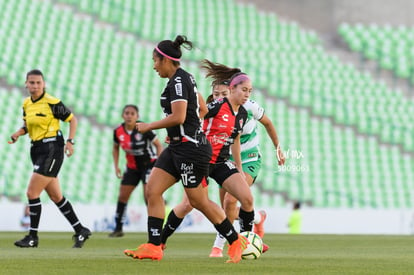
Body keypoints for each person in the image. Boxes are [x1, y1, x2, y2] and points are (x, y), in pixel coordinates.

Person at [123, 35, 248, 263]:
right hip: (179, 147)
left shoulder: (178, 82)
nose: (154, 66)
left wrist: (149, 126)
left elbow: (179, 116)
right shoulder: (184, 79)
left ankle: (235, 240)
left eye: (155, 61)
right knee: (152, 190)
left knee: (198, 201)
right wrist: (191, 129)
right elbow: (200, 107)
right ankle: (153, 246)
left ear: (166, 60)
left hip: (191, 151)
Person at [160, 59, 257, 253]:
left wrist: (238, 166)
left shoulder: (242, 114)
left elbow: (235, 138)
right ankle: (160, 241)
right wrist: (177, 135)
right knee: (187, 204)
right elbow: (194, 116)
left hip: (220, 162)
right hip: (200, 160)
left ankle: (246, 243)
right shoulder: (215, 107)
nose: (246, 94)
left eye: (249, 91)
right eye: (244, 90)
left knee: (247, 199)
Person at [9, 69, 91, 248]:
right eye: (32, 82)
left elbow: (72, 120)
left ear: (44, 84)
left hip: (52, 149)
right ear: (26, 84)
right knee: (56, 196)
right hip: (36, 149)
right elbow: (27, 125)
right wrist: (18, 133)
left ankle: (32, 237)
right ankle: (81, 230)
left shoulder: (52, 102)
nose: (35, 86)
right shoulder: (26, 104)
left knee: (32, 193)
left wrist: (70, 141)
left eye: (39, 83)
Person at [208, 77, 286, 257]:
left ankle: (220, 246)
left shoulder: (249, 107)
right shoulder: (217, 109)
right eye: (216, 94)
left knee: (230, 201)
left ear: (231, 90)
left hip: (250, 158)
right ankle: (257, 217)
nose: (220, 97)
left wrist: (278, 149)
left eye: (223, 93)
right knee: (226, 209)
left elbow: (268, 123)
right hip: (226, 160)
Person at [109, 104, 163, 237]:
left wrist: (158, 164)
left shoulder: (144, 128)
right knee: (122, 196)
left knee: (148, 196)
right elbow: (115, 148)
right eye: (126, 113)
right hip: (132, 168)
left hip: (148, 166)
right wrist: (116, 166)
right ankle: (118, 228)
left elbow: (158, 145)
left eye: (132, 114)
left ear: (137, 116)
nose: (129, 116)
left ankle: (155, 230)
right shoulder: (118, 132)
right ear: (123, 115)